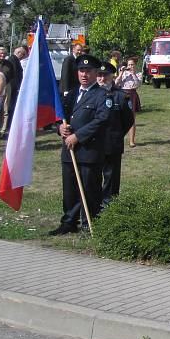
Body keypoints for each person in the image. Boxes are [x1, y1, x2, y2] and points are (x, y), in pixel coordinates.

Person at [51, 55, 110, 235]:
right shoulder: (72, 93)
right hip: (69, 152)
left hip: (88, 150)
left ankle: (89, 223)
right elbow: (60, 116)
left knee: (89, 189)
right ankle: (69, 222)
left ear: (95, 73)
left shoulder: (102, 95)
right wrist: (59, 128)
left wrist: (78, 136)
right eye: (81, 71)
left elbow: (101, 120)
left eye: (88, 71)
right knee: (69, 190)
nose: (84, 74)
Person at [97, 62, 134, 208]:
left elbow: (128, 120)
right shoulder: (91, 94)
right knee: (92, 178)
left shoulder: (121, 96)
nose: (101, 78)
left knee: (111, 178)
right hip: (92, 144)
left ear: (112, 76)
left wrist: (116, 134)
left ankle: (109, 207)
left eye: (105, 75)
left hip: (112, 143)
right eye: (99, 75)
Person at [115, 56, 141, 148]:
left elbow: (137, 85)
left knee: (132, 119)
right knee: (119, 119)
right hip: (122, 94)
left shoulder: (138, 74)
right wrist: (121, 73)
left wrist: (133, 74)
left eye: (132, 64)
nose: (130, 66)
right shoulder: (123, 73)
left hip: (132, 94)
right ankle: (118, 139)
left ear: (135, 65)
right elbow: (116, 83)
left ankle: (131, 141)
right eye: (129, 64)